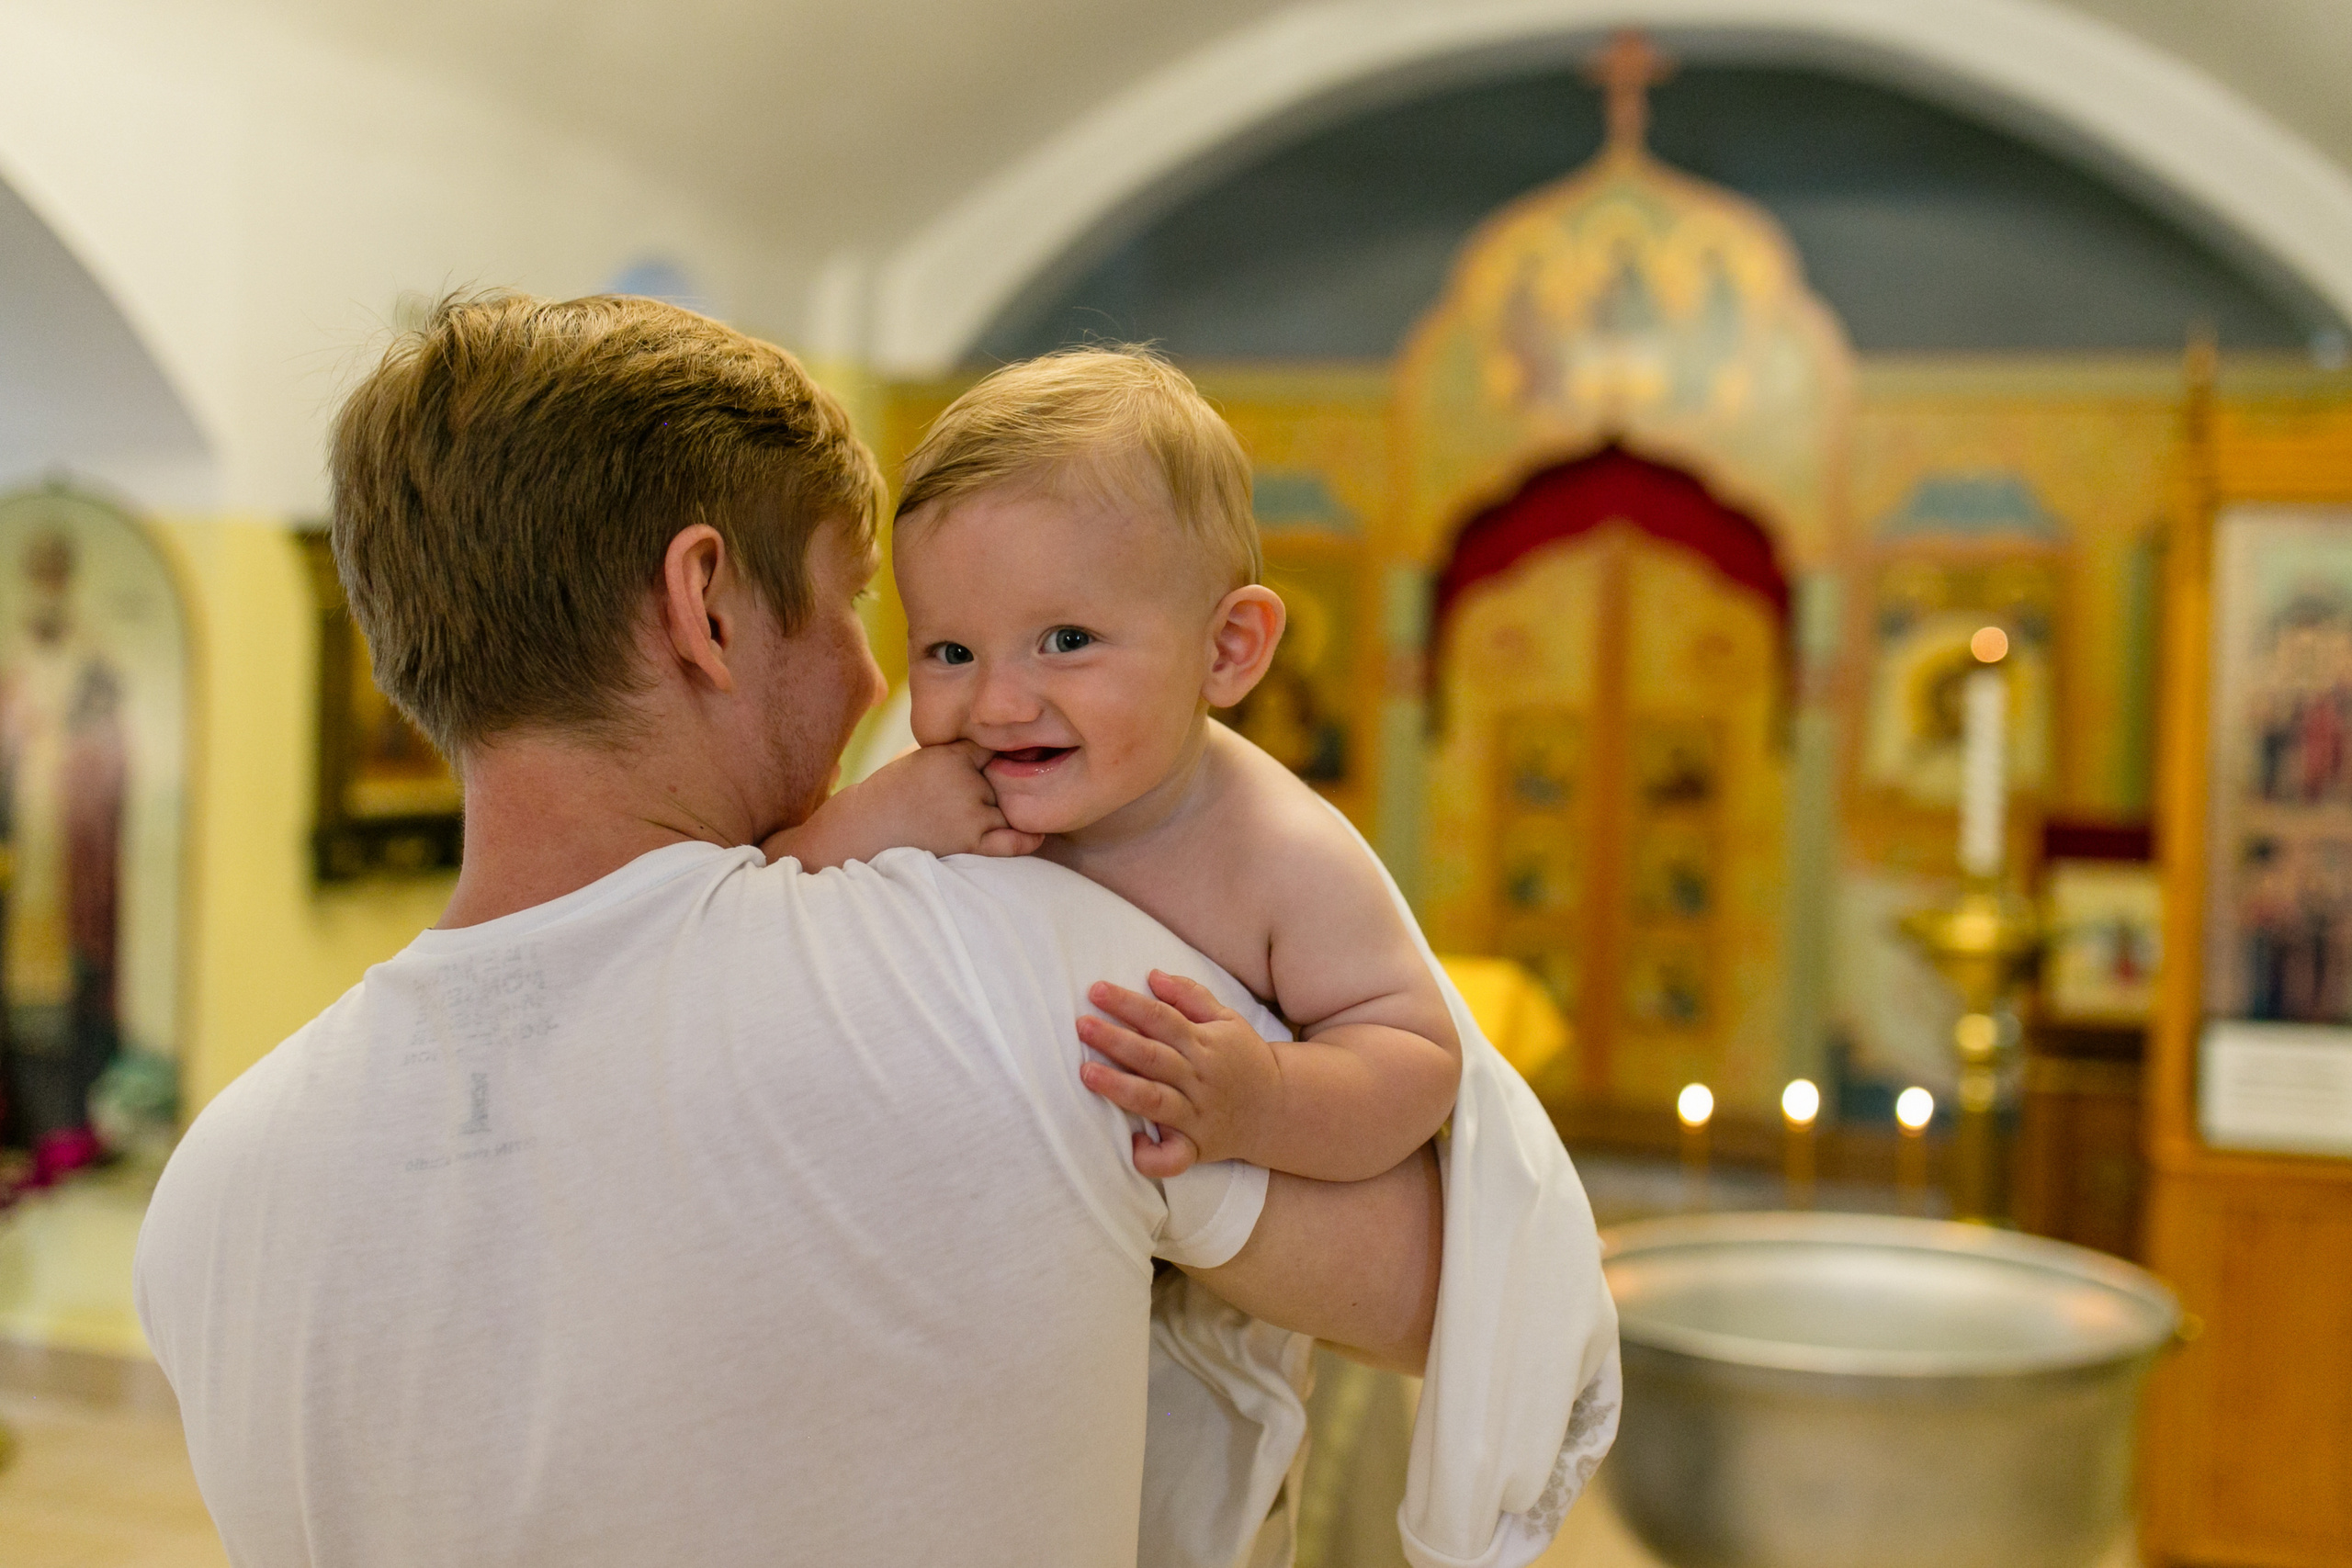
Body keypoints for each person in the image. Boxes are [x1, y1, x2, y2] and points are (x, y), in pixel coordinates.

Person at [131, 294, 1443, 1568]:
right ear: (705, 604)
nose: (883, 684)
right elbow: (1450, 1287)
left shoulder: (211, 1192)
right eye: (851, 605)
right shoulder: (1023, 976)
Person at [776, 349, 1619, 1568]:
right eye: (950, 652)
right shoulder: (938, 778)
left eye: (1065, 640)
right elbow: (774, 912)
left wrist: (1263, 1099)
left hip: (1204, 1301)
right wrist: (862, 827)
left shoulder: (1273, 852)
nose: (997, 702)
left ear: (1228, 651)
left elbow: (1412, 1056)